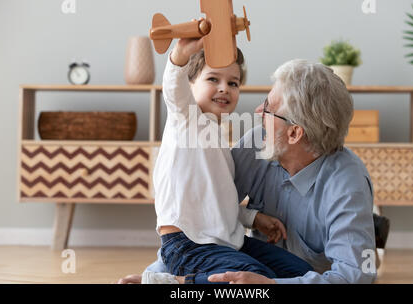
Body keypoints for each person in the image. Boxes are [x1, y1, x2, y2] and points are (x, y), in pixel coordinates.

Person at [117, 59, 378, 284]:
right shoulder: (256, 145)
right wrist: (155, 274)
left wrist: (269, 285)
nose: (257, 112)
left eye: (268, 109)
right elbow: (203, 213)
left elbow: (355, 276)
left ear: (295, 132)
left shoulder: (346, 184)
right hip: (242, 266)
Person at [138, 36, 313, 285]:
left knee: (302, 273)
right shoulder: (186, 119)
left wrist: (253, 219)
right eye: (213, 79)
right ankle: (176, 284)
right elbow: (172, 86)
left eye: (233, 83)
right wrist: (180, 55)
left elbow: (217, 203)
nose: (224, 88)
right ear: (189, 85)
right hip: (188, 244)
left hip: (228, 242)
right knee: (257, 281)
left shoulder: (219, 143)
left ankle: (175, 279)